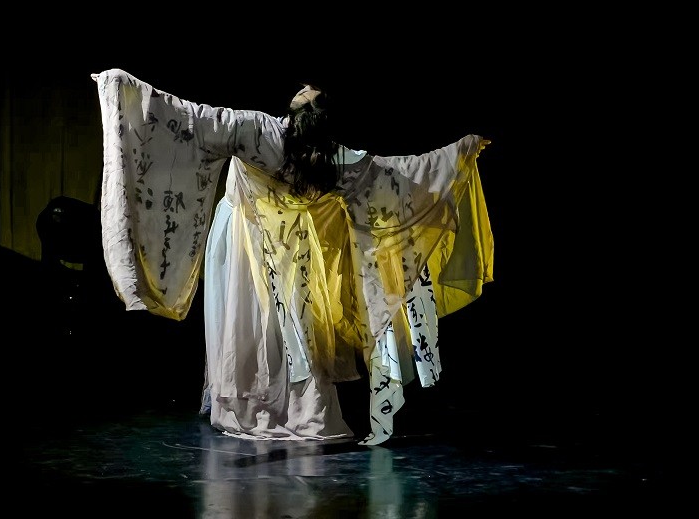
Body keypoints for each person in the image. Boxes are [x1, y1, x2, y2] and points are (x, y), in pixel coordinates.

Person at [90, 69, 493, 445]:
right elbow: (394, 176)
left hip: (249, 243)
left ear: (311, 109)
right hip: (290, 252)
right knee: (282, 328)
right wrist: (459, 153)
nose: (302, 86)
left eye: (308, 90)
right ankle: (288, 405)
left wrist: (126, 88)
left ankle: (255, 404)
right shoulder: (330, 158)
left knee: (252, 324)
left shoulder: (262, 131)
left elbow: (196, 120)